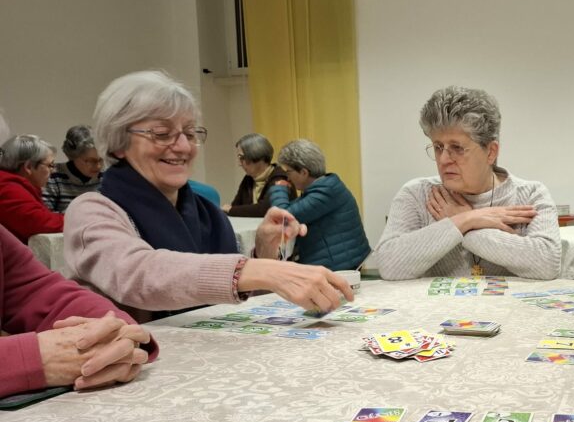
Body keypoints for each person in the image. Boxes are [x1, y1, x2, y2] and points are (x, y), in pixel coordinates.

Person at [63, 70, 355, 323]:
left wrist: (264, 251)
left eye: (190, 134)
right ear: (118, 144)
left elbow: (235, 296)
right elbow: (141, 275)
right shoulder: (93, 210)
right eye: (163, 134)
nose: (182, 146)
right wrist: (259, 269)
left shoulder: (207, 211)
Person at [376, 86, 560, 280]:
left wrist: (465, 224)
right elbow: (389, 264)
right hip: (439, 310)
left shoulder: (531, 195)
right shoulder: (417, 194)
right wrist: (463, 221)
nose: (444, 159)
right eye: (438, 147)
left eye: (457, 147)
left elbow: (547, 263)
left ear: (491, 152)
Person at [1, 221, 156, 398]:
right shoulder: (96, 206)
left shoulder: (194, 205)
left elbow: (36, 289)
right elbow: (133, 269)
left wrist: (115, 330)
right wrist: (30, 359)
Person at [267, 139, 371, 271]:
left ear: (304, 172)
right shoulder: (324, 187)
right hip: (338, 261)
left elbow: (283, 217)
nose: (287, 178)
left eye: (288, 172)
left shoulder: (325, 192)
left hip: (342, 267)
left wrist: (279, 189)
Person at [0, 132, 64, 242]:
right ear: (28, 167)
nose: (53, 171)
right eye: (50, 165)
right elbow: (41, 223)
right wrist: (78, 219)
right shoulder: (8, 189)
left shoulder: (14, 185)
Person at [224, 133, 294, 217]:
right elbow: (236, 206)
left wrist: (231, 209)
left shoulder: (280, 178)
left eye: (242, 158)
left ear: (256, 155)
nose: (239, 163)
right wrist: (232, 209)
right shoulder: (248, 179)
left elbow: (265, 209)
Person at [41, 125, 103, 213]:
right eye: (90, 161)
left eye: (101, 160)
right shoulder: (52, 176)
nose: (98, 166)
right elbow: (45, 217)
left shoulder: (107, 178)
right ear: (73, 156)